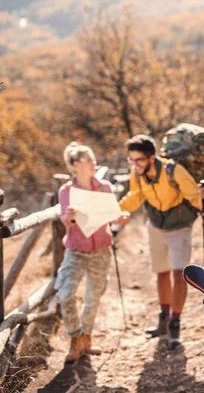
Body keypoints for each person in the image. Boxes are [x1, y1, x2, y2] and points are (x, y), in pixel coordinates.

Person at [118, 135, 204, 348]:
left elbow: (194, 197)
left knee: (179, 274)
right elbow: (135, 196)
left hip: (179, 226)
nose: (135, 165)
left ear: (152, 157)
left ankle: (175, 324)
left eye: (139, 160)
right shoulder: (138, 174)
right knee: (162, 273)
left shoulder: (174, 170)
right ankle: (164, 318)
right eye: (131, 160)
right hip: (156, 226)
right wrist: (117, 210)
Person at [57, 142, 130, 363]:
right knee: (65, 294)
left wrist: (122, 217)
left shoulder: (104, 187)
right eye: (89, 160)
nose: (94, 163)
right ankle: (75, 338)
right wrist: (69, 216)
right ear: (77, 164)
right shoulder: (66, 191)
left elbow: (112, 215)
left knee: (93, 297)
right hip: (76, 250)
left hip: (102, 249)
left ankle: (86, 340)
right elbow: (65, 219)